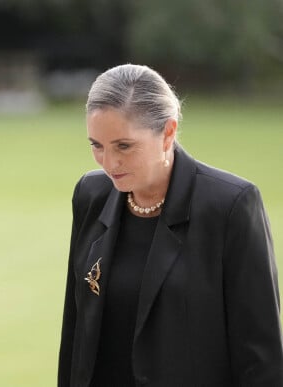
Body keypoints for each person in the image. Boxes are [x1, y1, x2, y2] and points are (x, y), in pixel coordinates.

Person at [58, 64, 283, 386]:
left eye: (124, 146)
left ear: (167, 132)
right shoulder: (91, 195)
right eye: (96, 145)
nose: (109, 163)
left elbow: (260, 356)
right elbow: (76, 331)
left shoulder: (231, 206)